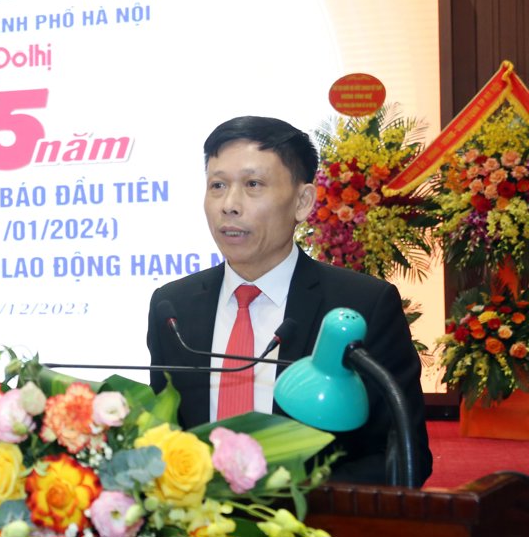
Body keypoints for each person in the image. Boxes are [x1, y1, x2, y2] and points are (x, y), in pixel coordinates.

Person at [146, 115, 433, 486]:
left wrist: (292, 497)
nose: (229, 205)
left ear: (302, 202)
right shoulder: (173, 308)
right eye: (217, 185)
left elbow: (405, 457)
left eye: (253, 184)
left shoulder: (363, 305)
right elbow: (163, 436)